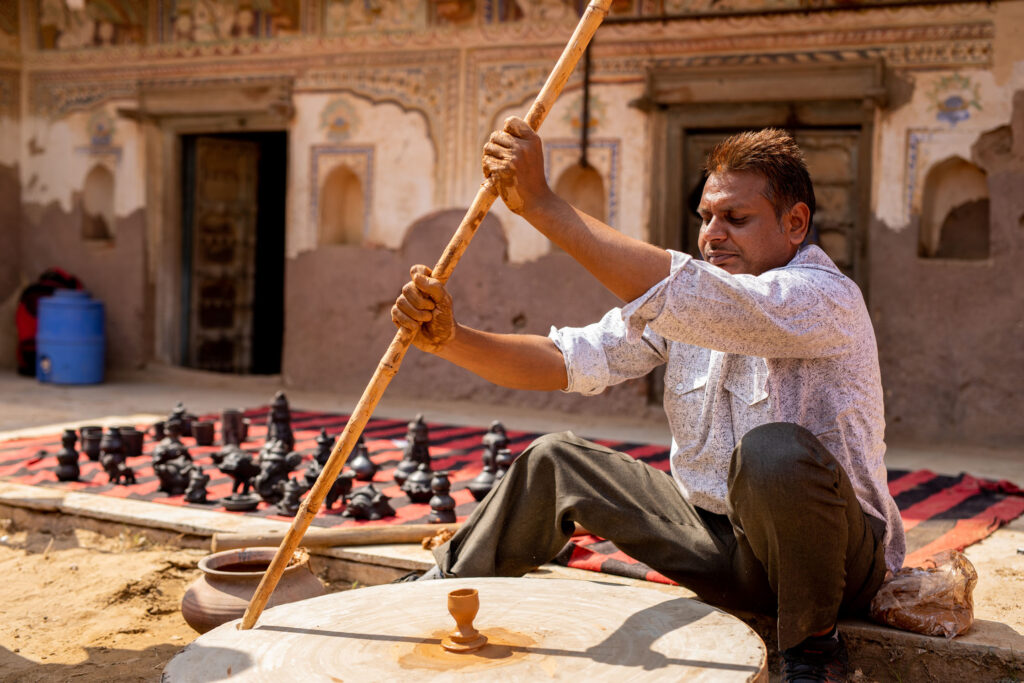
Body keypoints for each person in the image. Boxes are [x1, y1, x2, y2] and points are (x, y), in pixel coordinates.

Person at [391, 119, 905, 682]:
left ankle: (814, 651)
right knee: (558, 461)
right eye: (706, 217)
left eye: (736, 218)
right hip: (724, 548)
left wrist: (539, 203)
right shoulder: (686, 307)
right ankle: (444, 582)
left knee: (773, 452)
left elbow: (688, 292)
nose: (713, 234)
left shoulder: (823, 297)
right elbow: (568, 359)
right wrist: (450, 338)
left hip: (834, 565)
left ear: (795, 223)